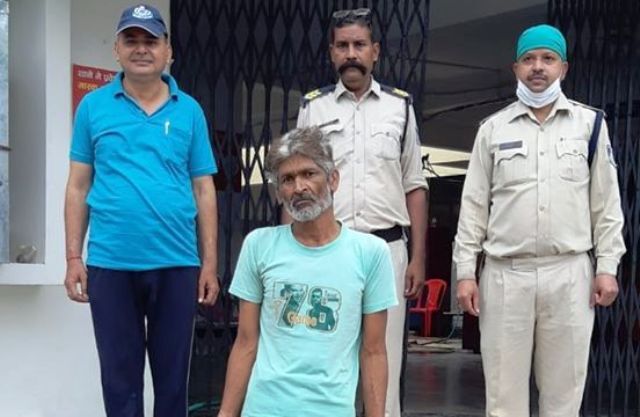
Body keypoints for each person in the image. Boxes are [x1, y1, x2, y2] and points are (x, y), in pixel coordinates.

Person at [453, 24, 626, 417]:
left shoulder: (590, 125)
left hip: (568, 273)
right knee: (503, 397)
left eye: (548, 58)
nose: (538, 67)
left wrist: (607, 267)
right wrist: (465, 272)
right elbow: (474, 206)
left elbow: (606, 205)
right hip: (505, 274)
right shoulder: (492, 129)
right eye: (529, 59)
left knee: (564, 396)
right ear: (515, 68)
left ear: (563, 67)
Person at [63, 4, 219, 417]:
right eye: (131, 40)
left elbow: (204, 189)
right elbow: (78, 186)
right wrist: (74, 257)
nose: (141, 49)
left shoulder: (189, 111)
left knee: (173, 383)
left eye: (151, 40)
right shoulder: (93, 108)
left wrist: (209, 264)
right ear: (116, 50)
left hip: (176, 262)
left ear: (168, 51)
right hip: (111, 263)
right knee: (119, 383)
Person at [295, 8, 429, 416]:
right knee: (326, 358)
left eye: (359, 45)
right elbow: (298, 187)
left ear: (375, 51)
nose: (351, 54)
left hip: (386, 252)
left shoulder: (399, 108)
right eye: (342, 46)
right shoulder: (314, 108)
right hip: (327, 251)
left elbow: (414, 184)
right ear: (331, 52)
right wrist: (293, 255)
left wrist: (418, 258)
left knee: (383, 360)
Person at [218, 126, 397, 417]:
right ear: (279, 192)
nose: (299, 187)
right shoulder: (259, 245)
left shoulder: (370, 253)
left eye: (309, 174)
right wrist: (226, 414)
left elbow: (374, 351)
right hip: (264, 409)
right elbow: (246, 343)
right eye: (287, 179)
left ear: (333, 179)